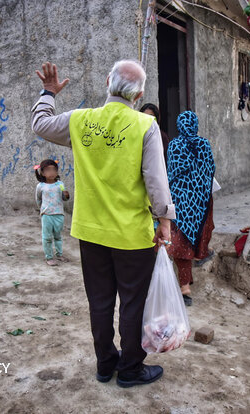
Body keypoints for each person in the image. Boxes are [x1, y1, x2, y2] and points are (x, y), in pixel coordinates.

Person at [31, 60, 174, 388]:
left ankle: (105, 363)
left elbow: (40, 123)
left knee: (100, 301)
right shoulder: (144, 126)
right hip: (132, 235)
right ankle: (131, 369)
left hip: (91, 232)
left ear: (107, 81)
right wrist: (164, 219)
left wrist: (48, 93)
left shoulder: (80, 121)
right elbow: (155, 181)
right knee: (132, 302)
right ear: (138, 94)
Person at [166, 111, 216, 307]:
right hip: (201, 202)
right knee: (193, 239)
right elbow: (210, 170)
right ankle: (186, 283)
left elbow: (171, 173)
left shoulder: (175, 145)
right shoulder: (204, 144)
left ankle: (184, 286)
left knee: (181, 243)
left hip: (180, 204)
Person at [35, 159, 70, 266]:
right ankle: (49, 257)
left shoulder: (60, 184)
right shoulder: (40, 186)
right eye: (48, 170)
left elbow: (65, 198)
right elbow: (38, 200)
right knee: (47, 237)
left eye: (54, 170)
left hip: (59, 214)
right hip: (47, 215)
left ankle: (59, 254)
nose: (51, 173)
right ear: (42, 173)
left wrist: (67, 195)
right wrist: (43, 210)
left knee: (58, 236)